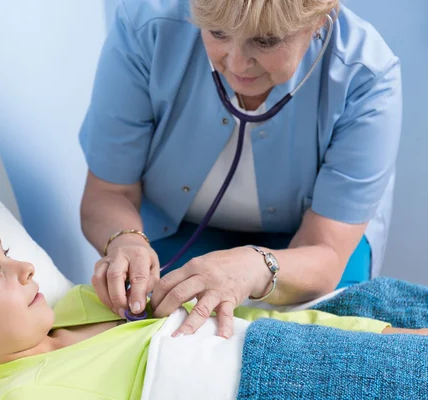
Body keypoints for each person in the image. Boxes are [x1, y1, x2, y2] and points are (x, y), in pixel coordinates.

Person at [0, 211, 426, 399]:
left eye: (9, 253)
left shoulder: (70, 308)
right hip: (289, 362)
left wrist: (137, 265)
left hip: (338, 320)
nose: (26, 267)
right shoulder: (24, 390)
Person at [78, 0, 402, 338]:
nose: (236, 63)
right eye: (217, 32)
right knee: (154, 331)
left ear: (318, 22)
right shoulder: (146, 27)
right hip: (173, 230)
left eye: (265, 41)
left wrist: (257, 266)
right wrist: (126, 242)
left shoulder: (366, 74)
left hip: (310, 248)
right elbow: (108, 193)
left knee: (327, 343)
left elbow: (327, 252)